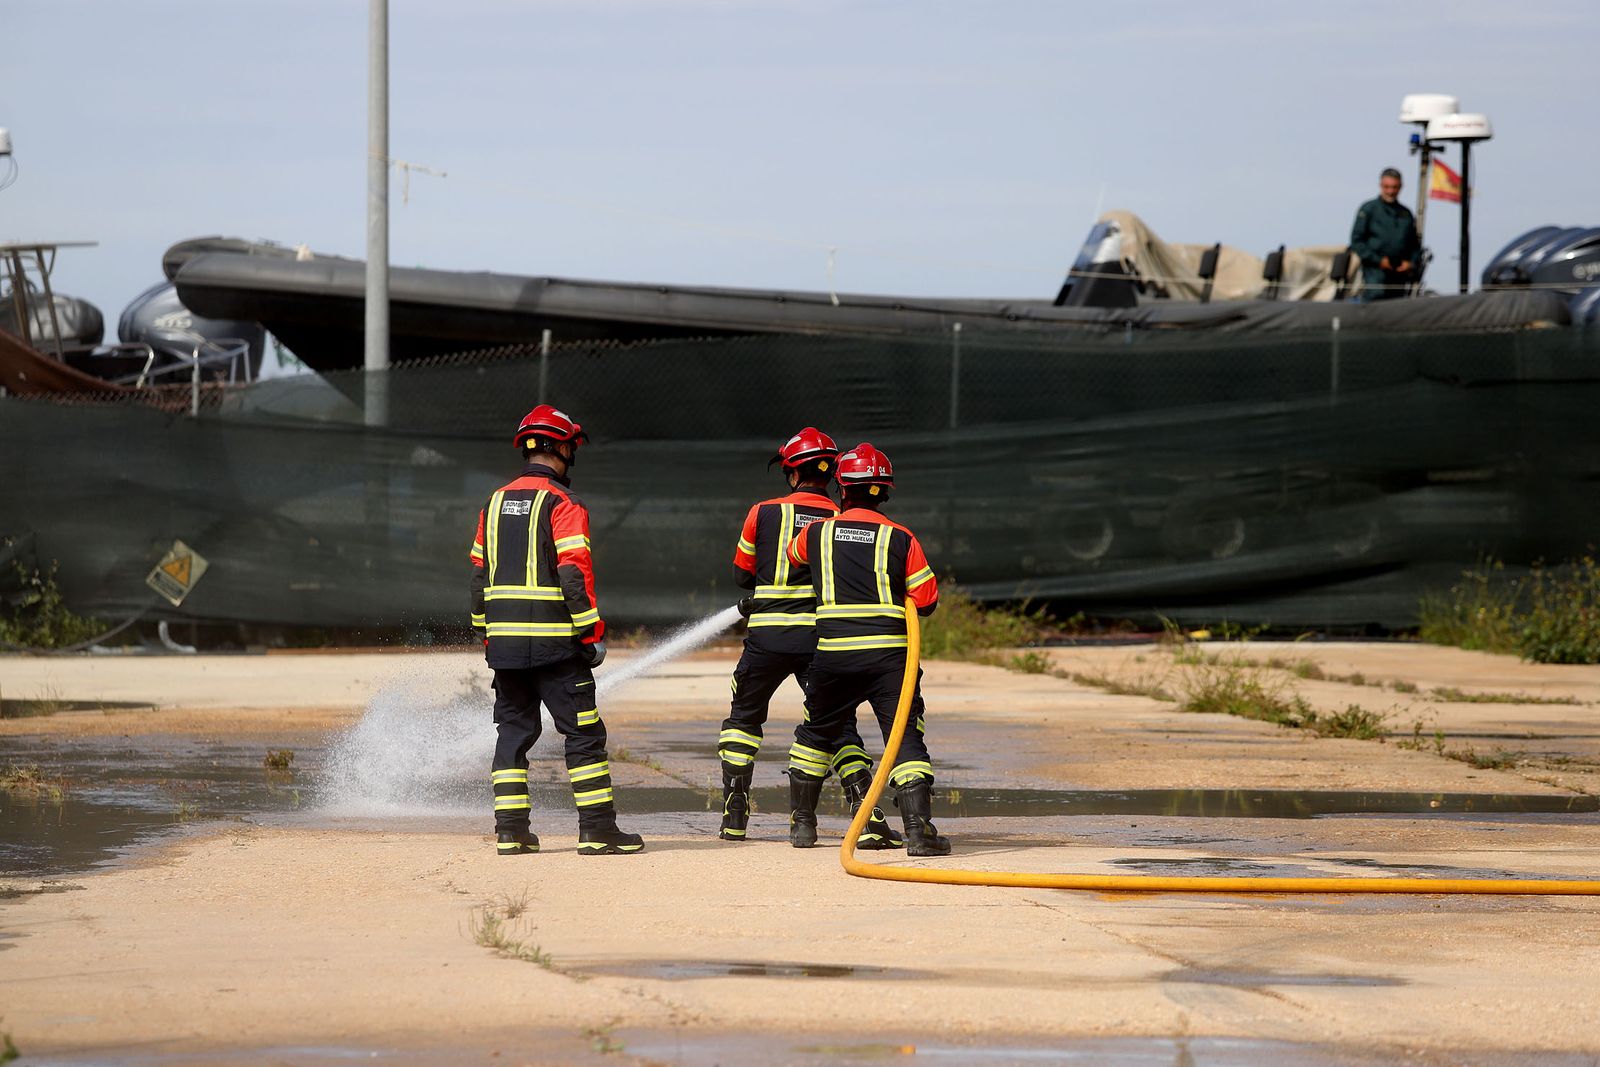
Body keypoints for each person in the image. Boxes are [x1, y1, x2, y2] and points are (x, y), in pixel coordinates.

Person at [470, 404, 644, 857]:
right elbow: (572, 573)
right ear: (561, 448)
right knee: (583, 734)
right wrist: (590, 633)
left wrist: (487, 635)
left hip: (505, 647)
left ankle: (510, 832)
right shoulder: (564, 503)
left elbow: (478, 577)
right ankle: (598, 830)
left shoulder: (493, 502)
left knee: (512, 735)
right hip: (555, 646)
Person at [718, 428, 903, 850]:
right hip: (821, 641)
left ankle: (734, 816)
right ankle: (867, 819)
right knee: (836, 725)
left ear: (791, 471)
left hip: (766, 638)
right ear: (835, 474)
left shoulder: (762, 512)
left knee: (743, 721)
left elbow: (742, 575)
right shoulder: (841, 520)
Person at [783, 443, 950, 856]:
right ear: (885, 492)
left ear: (841, 487)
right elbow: (926, 600)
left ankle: (802, 827)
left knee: (815, 734)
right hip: (890, 660)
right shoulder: (901, 537)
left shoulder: (816, 533)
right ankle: (918, 832)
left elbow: (792, 556)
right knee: (904, 738)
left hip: (833, 655)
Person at [1349, 167, 1421, 302]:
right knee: (1375, 302)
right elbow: (1357, 241)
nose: (1390, 191)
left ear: (1400, 187)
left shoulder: (1406, 214)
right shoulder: (1368, 209)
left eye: (1394, 187)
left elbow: (1414, 245)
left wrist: (1410, 263)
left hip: (1399, 275)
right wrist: (1379, 261)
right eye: (1387, 187)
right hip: (1374, 272)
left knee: (1398, 306)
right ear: (1381, 186)